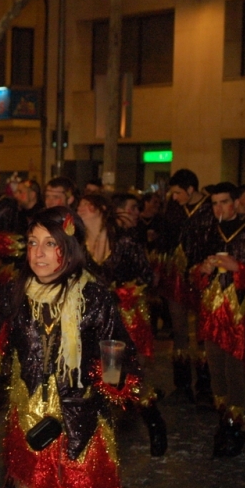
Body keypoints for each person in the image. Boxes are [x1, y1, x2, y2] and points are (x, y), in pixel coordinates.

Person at [0, 207, 140, 488]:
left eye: (50, 244)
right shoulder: (17, 291)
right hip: (30, 422)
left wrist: (113, 377)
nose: (38, 253)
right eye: (33, 242)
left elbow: (118, 349)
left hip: (80, 425)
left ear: (69, 246)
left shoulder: (93, 295)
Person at [78, 194, 166, 456]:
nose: (80, 207)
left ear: (101, 210)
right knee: (102, 377)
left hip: (126, 319)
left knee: (126, 375)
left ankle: (153, 420)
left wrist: (127, 292)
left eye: (86, 204)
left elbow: (148, 277)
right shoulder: (78, 246)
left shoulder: (124, 242)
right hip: (95, 322)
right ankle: (101, 435)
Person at [192, 182, 245, 456]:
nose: (219, 208)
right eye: (214, 203)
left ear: (235, 203)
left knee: (234, 367)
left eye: (224, 202)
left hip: (237, 310)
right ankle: (224, 419)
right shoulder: (210, 232)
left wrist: (239, 268)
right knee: (215, 366)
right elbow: (197, 274)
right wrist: (204, 268)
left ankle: (236, 424)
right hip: (212, 309)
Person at [159, 169, 214, 406]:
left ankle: (205, 386)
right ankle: (181, 385)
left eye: (178, 192)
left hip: (201, 276)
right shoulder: (172, 209)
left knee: (203, 331)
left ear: (190, 190)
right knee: (179, 329)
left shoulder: (209, 209)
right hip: (176, 276)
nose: (174, 197)